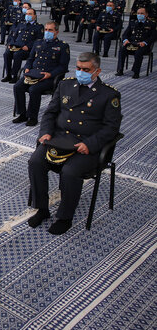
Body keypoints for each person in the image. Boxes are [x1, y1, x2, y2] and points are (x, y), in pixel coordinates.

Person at [27, 52, 122, 235]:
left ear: (97, 71)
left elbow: (111, 128)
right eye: (78, 68)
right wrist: (45, 132)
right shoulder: (65, 84)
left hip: (86, 146)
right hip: (60, 140)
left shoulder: (109, 94)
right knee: (35, 162)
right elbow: (50, 113)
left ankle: (65, 217)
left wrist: (91, 144)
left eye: (86, 70)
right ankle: (42, 209)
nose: (80, 72)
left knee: (69, 171)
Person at [12, 21, 70, 127]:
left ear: (56, 32)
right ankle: (22, 114)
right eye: (46, 30)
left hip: (48, 77)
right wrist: (27, 68)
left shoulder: (62, 46)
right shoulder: (38, 43)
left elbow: (63, 67)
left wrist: (50, 74)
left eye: (50, 30)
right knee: (18, 86)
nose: (47, 32)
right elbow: (30, 59)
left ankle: (32, 117)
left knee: (33, 89)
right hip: (33, 74)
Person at [1, 8, 44, 83]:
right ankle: (8, 75)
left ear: (35, 16)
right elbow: (13, 35)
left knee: (17, 55)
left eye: (30, 14)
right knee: (7, 53)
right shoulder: (21, 24)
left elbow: (38, 40)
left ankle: (15, 76)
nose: (28, 15)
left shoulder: (39, 27)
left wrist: (28, 47)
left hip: (27, 50)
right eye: (27, 14)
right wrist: (10, 44)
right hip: (16, 47)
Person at [116, 8, 155, 78]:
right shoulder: (133, 23)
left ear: (146, 14)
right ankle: (120, 70)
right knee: (122, 50)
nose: (140, 15)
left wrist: (145, 42)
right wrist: (125, 40)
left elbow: (153, 37)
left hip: (142, 45)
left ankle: (136, 72)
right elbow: (125, 34)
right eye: (138, 13)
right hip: (131, 43)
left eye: (142, 13)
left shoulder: (151, 24)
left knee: (138, 53)